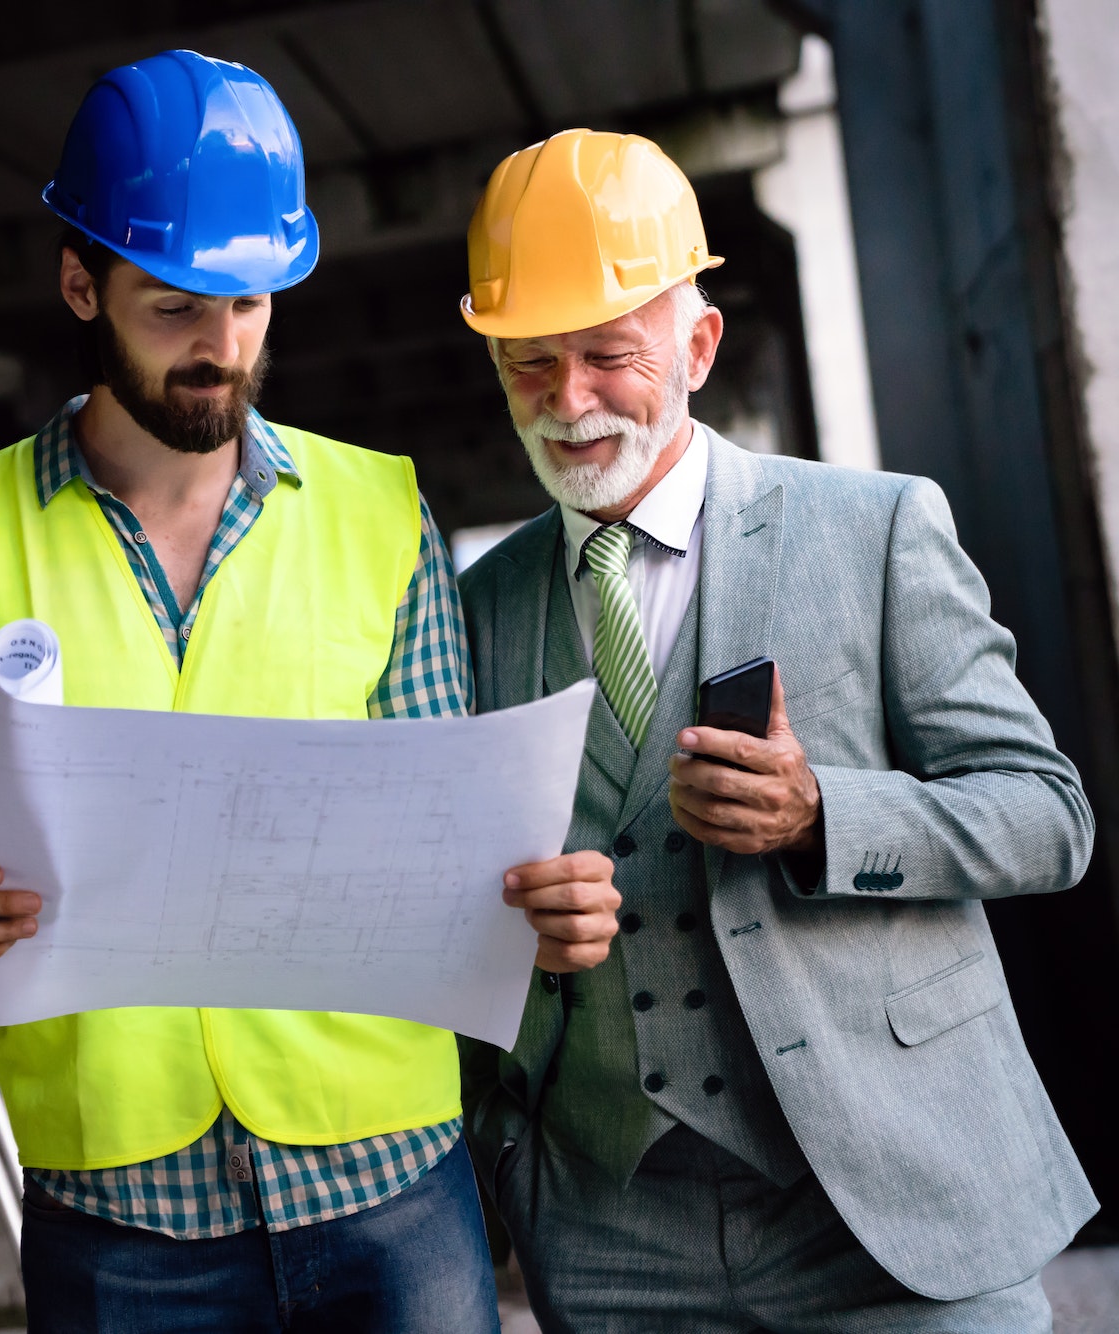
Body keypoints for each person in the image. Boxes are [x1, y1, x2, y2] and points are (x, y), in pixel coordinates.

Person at [0, 51, 621, 1333]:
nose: (221, 348)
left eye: (250, 304)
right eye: (175, 308)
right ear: (80, 282)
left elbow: (444, 839)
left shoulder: (379, 510)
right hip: (117, 1205)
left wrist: (530, 892)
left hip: (384, 1179)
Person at [455, 128, 1098, 1332]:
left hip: (887, 1207)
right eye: (527, 364)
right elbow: (444, 898)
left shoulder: (877, 529)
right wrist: (507, 935)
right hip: (610, 1238)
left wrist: (823, 814)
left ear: (696, 346)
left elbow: (1045, 814)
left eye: (606, 354)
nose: (569, 400)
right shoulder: (474, 611)